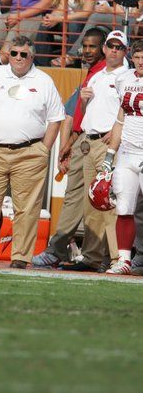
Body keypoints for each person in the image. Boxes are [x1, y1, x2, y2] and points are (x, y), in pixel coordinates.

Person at [0, 36, 64, 269]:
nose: (18, 58)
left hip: (29, 152)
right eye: (14, 53)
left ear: (32, 56)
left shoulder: (44, 81)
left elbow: (56, 118)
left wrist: (43, 150)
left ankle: (20, 257)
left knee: (26, 208)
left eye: (23, 54)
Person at [32, 28, 107, 268]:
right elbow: (72, 113)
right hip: (83, 140)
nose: (86, 51)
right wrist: (69, 144)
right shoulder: (91, 74)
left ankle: (97, 256)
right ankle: (61, 249)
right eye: (84, 46)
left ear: (104, 48)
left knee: (94, 200)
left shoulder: (107, 74)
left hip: (101, 141)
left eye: (92, 46)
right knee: (75, 197)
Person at [73, 30, 129, 272]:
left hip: (110, 143)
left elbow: (128, 111)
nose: (114, 50)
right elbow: (88, 112)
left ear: (124, 51)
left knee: (110, 201)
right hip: (91, 139)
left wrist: (117, 133)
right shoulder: (96, 76)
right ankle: (92, 256)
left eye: (119, 47)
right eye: (111, 46)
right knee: (92, 202)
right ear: (104, 49)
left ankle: (118, 258)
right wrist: (85, 101)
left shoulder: (126, 76)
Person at [101, 39, 143, 275]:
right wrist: (109, 155)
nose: (140, 61)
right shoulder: (124, 79)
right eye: (137, 57)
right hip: (127, 152)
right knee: (123, 208)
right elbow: (120, 119)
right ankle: (124, 259)